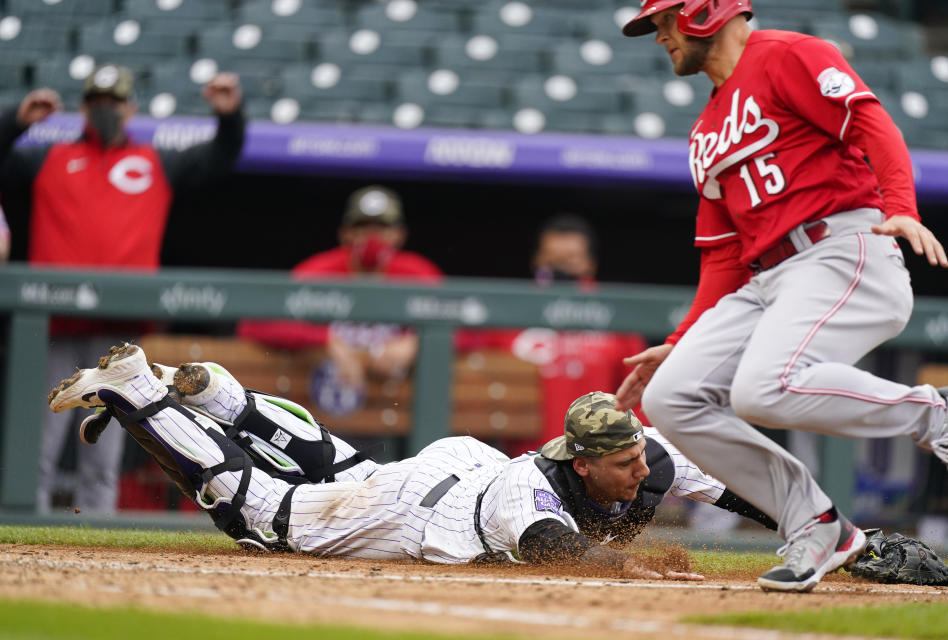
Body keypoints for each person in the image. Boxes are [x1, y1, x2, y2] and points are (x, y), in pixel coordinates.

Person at [613, 0, 948, 593]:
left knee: (762, 388)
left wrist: (901, 206)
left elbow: (873, 124)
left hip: (842, 245)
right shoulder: (706, 128)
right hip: (767, 276)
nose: (659, 36)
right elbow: (723, 253)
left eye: (665, 21)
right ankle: (817, 525)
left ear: (703, 11)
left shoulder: (788, 54)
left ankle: (942, 416)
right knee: (673, 399)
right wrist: (679, 340)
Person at [47, 342, 784, 578]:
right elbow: (556, 548)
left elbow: (736, 489)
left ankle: (223, 401)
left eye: (637, 451)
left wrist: (802, 519)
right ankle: (137, 389)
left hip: (449, 471)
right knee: (260, 512)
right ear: (580, 464)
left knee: (340, 468)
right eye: (620, 461)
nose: (640, 466)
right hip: (420, 508)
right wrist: (641, 569)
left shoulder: (647, 453)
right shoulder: (532, 493)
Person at [0, 63, 246, 514]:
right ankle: (23, 534)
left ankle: (94, 535)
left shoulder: (155, 160)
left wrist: (230, 117)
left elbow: (219, 158)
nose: (105, 110)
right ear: (83, 107)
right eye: (97, 102)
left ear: (130, 108)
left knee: (104, 450)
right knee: (38, 444)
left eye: (114, 102)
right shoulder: (49, 158)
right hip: (54, 321)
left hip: (119, 336)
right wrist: (16, 120)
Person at [236, 185, 442, 417]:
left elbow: (481, 328)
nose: (372, 238)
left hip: (395, 414)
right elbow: (254, 323)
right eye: (362, 227)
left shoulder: (417, 274)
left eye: (383, 227)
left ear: (399, 234)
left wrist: (420, 342)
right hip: (322, 409)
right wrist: (326, 340)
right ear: (345, 233)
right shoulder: (320, 271)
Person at [457, 214, 647, 457]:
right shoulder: (510, 312)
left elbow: (637, 400)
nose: (560, 268)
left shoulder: (614, 316)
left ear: (589, 263)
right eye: (553, 259)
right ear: (537, 260)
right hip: (524, 460)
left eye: (570, 260)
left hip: (596, 459)